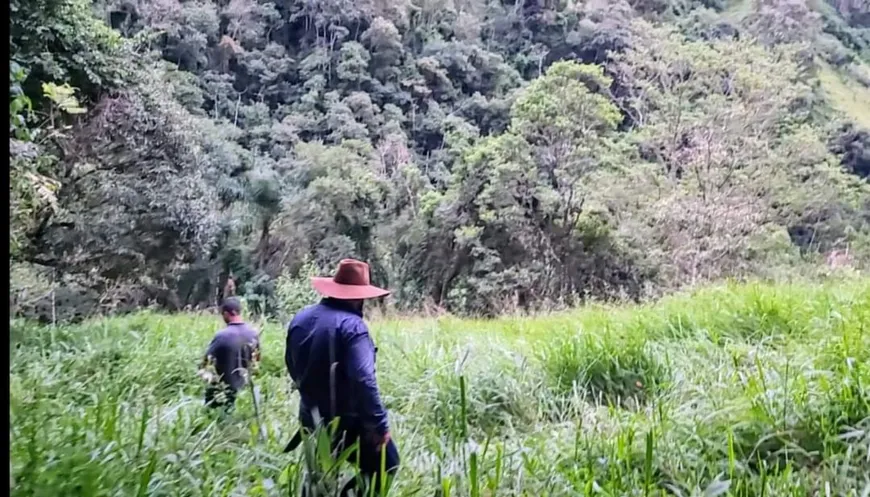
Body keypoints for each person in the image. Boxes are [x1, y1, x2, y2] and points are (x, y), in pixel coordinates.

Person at [285, 259, 399, 496]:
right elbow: (364, 379)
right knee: (388, 464)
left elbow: (291, 363)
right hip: (348, 421)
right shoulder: (353, 327)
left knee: (322, 471)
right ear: (359, 296)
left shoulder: (301, 319)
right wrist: (378, 425)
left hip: (310, 415)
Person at [199, 297, 260, 410]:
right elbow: (256, 361)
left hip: (222, 391)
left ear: (226, 314)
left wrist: (204, 374)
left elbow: (206, 362)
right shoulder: (253, 334)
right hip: (244, 392)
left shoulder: (222, 336)